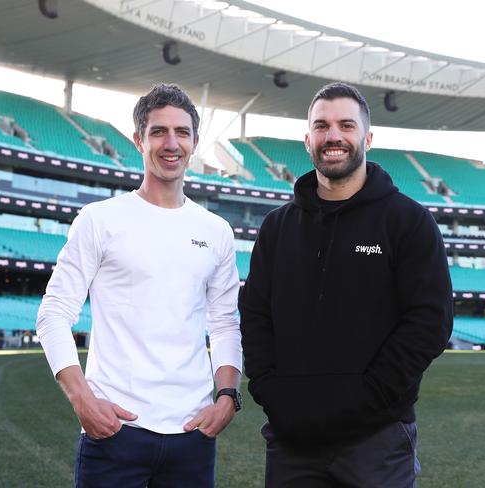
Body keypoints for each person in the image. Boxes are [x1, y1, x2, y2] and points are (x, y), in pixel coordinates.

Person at [239, 82, 453, 487]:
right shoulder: (277, 228)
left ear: (367, 137)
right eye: (321, 126)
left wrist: (366, 397)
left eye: (345, 125)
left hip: (377, 440)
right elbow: (255, 314)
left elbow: (429, 323)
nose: (333, 136)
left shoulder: (408, 222)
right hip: (291, 440)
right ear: (308, 140)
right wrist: (270, 391)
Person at [36, 83, 242, 488]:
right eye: (159, 132)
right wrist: (82, 400)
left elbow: (224, 324)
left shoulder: (216, 231)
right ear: (139, 140)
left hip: (192, 434)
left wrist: (227, 398)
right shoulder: (100, 220)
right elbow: (53, 314)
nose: (172, 144)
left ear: (195, 142)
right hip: (115, 431)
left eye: (182, 133)